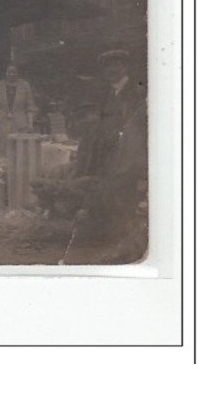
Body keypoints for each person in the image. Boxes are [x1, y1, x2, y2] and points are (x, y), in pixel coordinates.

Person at [68, 49, 147, 260]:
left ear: (125, 67)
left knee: (125, 191)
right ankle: (112, 237)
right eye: (108, 66)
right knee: (109, 191)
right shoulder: (105, 92)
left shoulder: (137, 92)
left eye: (117, 65)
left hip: (129, 151)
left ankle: (127, 241)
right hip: (107, 150)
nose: (112, 70)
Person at [0, 63, 37, 158]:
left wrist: (30, 124)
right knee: (1, 151)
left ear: (18, 73)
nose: (11, 74)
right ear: (5, 73)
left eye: (14, 72)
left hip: (20, 123)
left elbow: (30, 106)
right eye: (9, 72)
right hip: (1, 122)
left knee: (19, 152)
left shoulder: (25, 86)